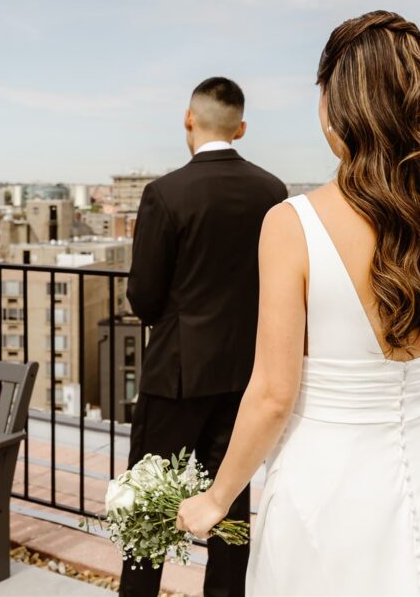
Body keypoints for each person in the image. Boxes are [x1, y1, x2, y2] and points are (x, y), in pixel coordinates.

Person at [176, 11, 420, 596]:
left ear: (333, 106)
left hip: (327, 477)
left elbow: (274, 394)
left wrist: (216, 498)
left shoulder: (292, 223)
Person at [122, 76, 288, 597]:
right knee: (230, 505)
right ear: (241, 128)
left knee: (149, 509)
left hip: (176, 373)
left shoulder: (166, 193)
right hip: (244, 374)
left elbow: (144, 297)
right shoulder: (272, 192)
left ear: (189, 119)